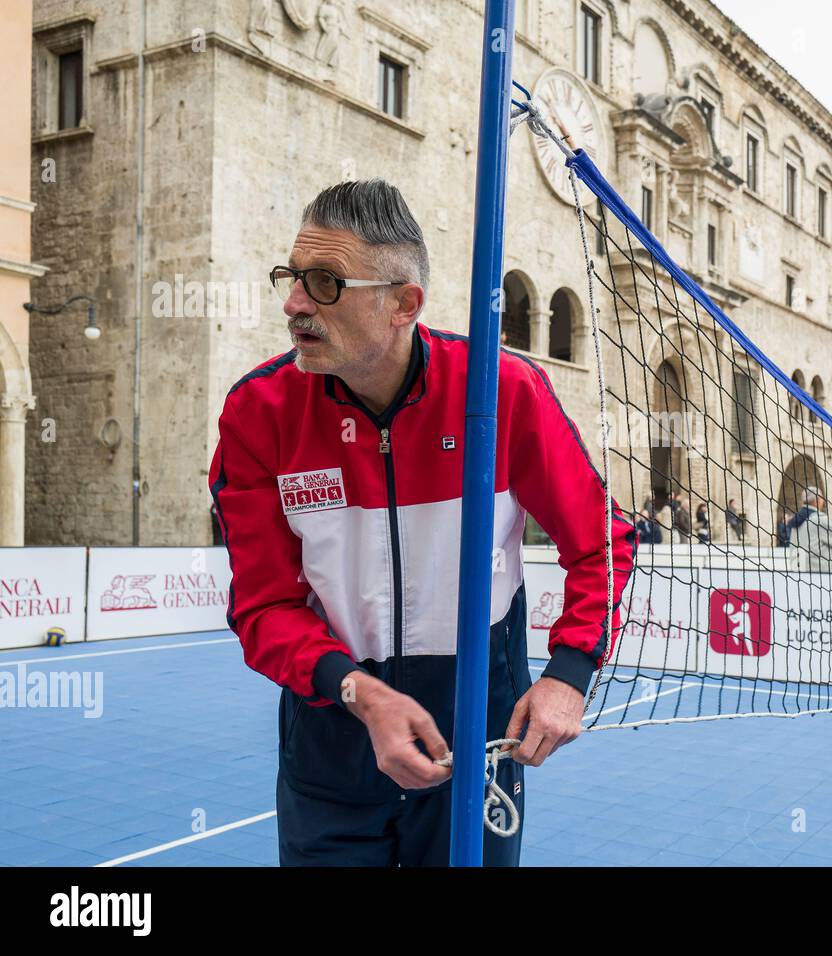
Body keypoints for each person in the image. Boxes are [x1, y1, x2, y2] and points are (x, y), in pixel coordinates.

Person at [209, 179, 635, 866]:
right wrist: (360, 693)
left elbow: (602, 541)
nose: (292, 304)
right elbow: (264, 607)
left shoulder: (503, 394)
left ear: (403, 303)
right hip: (331, 738)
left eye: (323, 282)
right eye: (291, 278)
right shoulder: (258, 413)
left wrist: (569, 671)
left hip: (478, 741)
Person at [789, 488, 832, 572]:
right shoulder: (819, 519)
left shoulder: (795, 520)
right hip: (820, 572)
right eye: (821, 498)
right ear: (816, 501)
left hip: (798, 572)